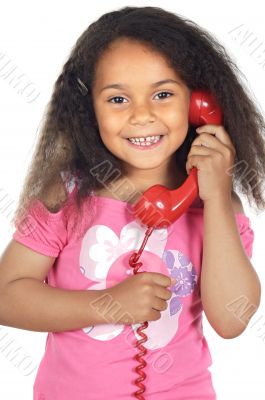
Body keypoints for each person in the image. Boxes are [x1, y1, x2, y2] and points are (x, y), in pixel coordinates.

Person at [0, 6, 264, 400]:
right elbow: (7, 297)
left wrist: (216, 198)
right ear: (89, 110)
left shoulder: (217, 211)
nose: (142, 115)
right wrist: (108, 305)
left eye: (163, 94)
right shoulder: (68, 195)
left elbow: (231, 319)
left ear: (198, 103)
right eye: (118, 98)